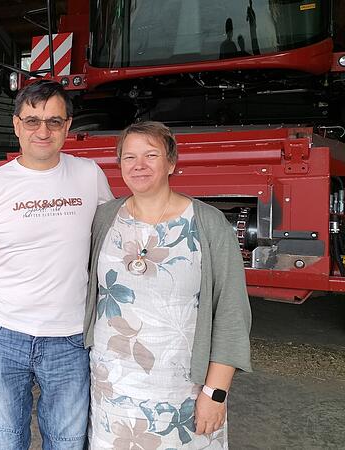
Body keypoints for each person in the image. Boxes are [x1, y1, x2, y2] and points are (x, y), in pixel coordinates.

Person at [0, 79, 114, 449]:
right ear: (16, 125)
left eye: (54, 121)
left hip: (71, 339)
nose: (42, 131)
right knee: (6, 440)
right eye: (32, 121)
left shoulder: (89, 176)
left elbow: (115, 240)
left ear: (68, 126)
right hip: (3, 337)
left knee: (67, 440)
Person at [84, 121, 252, 449]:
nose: (139, 165)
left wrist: (215, 393)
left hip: (182, 394)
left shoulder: (206, 222)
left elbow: (232, 311)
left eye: (151, 155)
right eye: (129, 157)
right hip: (111, 390)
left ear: (171, 163)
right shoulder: (105, 218)